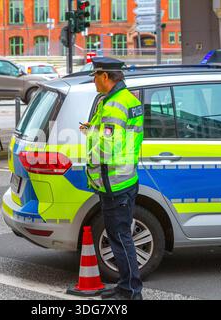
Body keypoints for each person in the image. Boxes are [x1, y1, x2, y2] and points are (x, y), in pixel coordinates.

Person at [79, 57, 144, 300]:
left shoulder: (115, 105)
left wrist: (91, 152)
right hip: (123, 179)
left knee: (120, 238)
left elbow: (108, 148)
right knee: (119, 236)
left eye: (95, 76)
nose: (94, 81)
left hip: (114, 182)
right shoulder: (123, 100)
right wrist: (92, 129)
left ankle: (130, 292)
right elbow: (117, 136)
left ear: (105, 76)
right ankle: (125, 286)